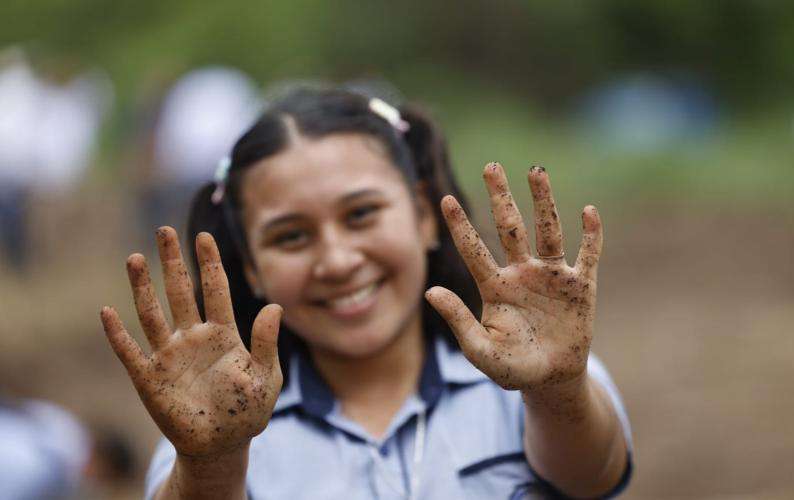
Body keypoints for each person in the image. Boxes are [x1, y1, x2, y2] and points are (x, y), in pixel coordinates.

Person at [101, 86, 633, 499]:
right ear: (252, 269)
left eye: (361, 214)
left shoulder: (536, 373)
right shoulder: (217, 428)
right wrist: (212, 463)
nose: (337, 260)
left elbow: (592, 478)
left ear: (424, 216)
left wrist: (558, 392)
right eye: (290, 236)